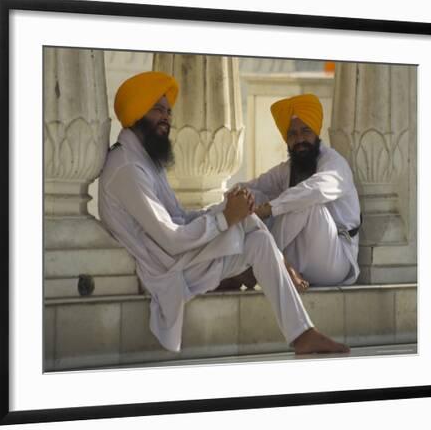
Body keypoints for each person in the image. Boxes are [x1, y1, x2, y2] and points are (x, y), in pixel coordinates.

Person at [98, 71, 349, 355]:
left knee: (254, 234)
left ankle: (302, 333)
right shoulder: (128, 169)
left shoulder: (144, 160)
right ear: (136, 112)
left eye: (168, 111)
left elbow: (179, 216)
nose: (167, 117)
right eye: (158, 109)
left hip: (177, 258)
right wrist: (225, 217)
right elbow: (171, 239)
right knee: (250, 228)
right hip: (165, 269)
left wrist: (228, 209)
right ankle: (281, 298)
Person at [234, 94, 361, 290]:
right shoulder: (286, 169)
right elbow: (251, 186)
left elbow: (314, 190)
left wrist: (268, 209)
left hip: (334, 260)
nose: (299, 139)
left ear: (316, 133)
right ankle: (260, 263)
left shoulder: (335, 164)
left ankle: (257, 265)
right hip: (297, 257)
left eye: (305, 131)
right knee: (250, 197)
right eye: (292, 134)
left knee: (305, 202)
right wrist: (234, 199)